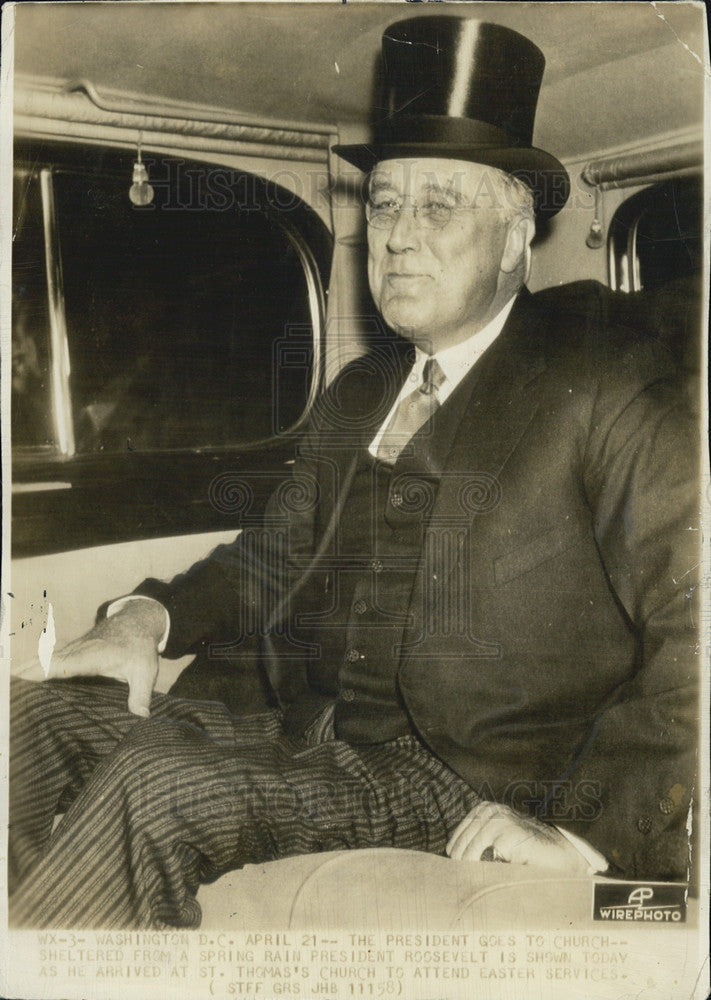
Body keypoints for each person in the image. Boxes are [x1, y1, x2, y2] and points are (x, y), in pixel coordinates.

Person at [9, 17, 698, 929]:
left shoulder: (600, 381)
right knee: (22, 725)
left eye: (438, 205)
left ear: (514, 239)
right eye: (382, 204)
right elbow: (270, 557)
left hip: (459, 780)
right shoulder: (361, 390)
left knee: (156, 782)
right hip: (304, 734)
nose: (397, 237)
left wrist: (587, 838)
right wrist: (148, 616)